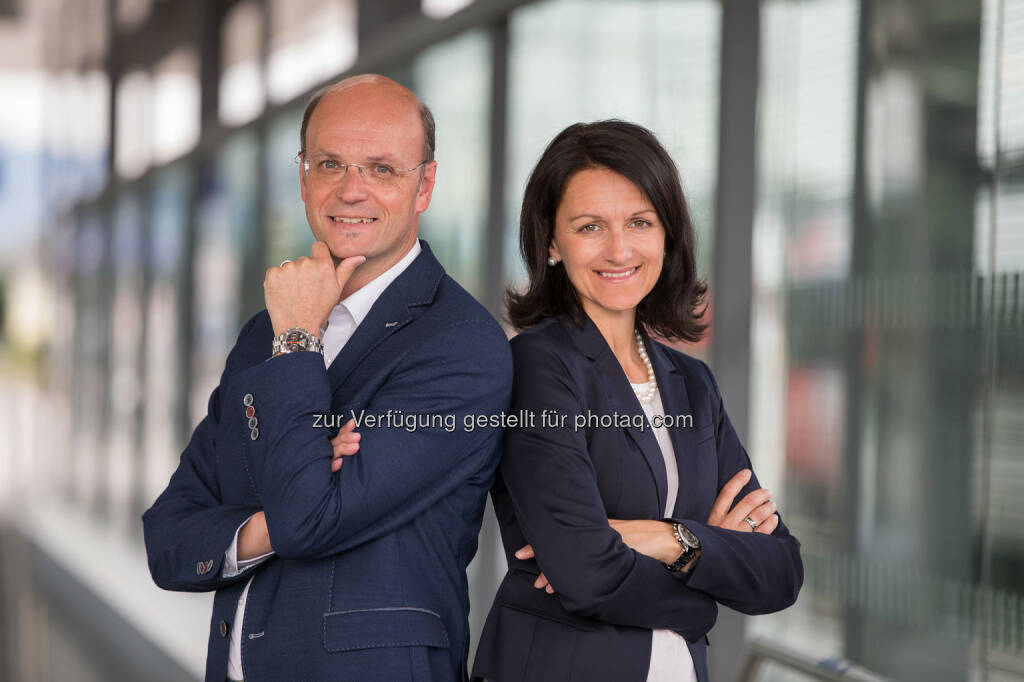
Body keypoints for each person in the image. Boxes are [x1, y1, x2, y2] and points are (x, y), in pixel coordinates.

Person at [142, 74, 512, 682]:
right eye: (330, 163)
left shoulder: (462, 346)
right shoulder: (266, 331)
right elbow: (169, 538)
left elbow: (311, 521)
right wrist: (277, 516)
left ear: (425, 184)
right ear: (302, 174)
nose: (350, 190)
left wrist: (296, 346)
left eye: (383, 169)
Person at [471, 120, 803, 682]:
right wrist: (703, 585)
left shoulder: (691, 384)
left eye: (639, 222)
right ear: (552, 241)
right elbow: (585, 571)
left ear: (667, 233)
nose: (619, 249)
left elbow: (779, 571)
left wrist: (664, 537)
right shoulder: (538, 366)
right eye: (589, 226)